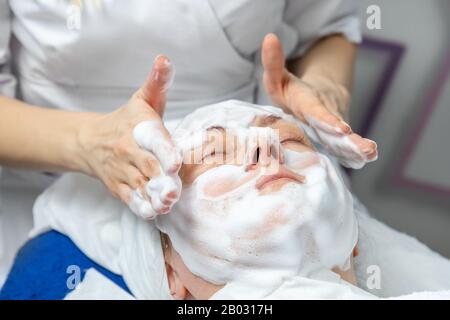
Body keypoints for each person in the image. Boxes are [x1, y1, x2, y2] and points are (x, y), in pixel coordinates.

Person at [0, 0, 376, 282]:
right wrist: (90, 143)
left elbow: (327, 27)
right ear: (171, 275)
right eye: (213, 151)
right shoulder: (56, 270)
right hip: (47, 163)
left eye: (288, 140)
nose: (268, 155)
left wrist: (325, 90)